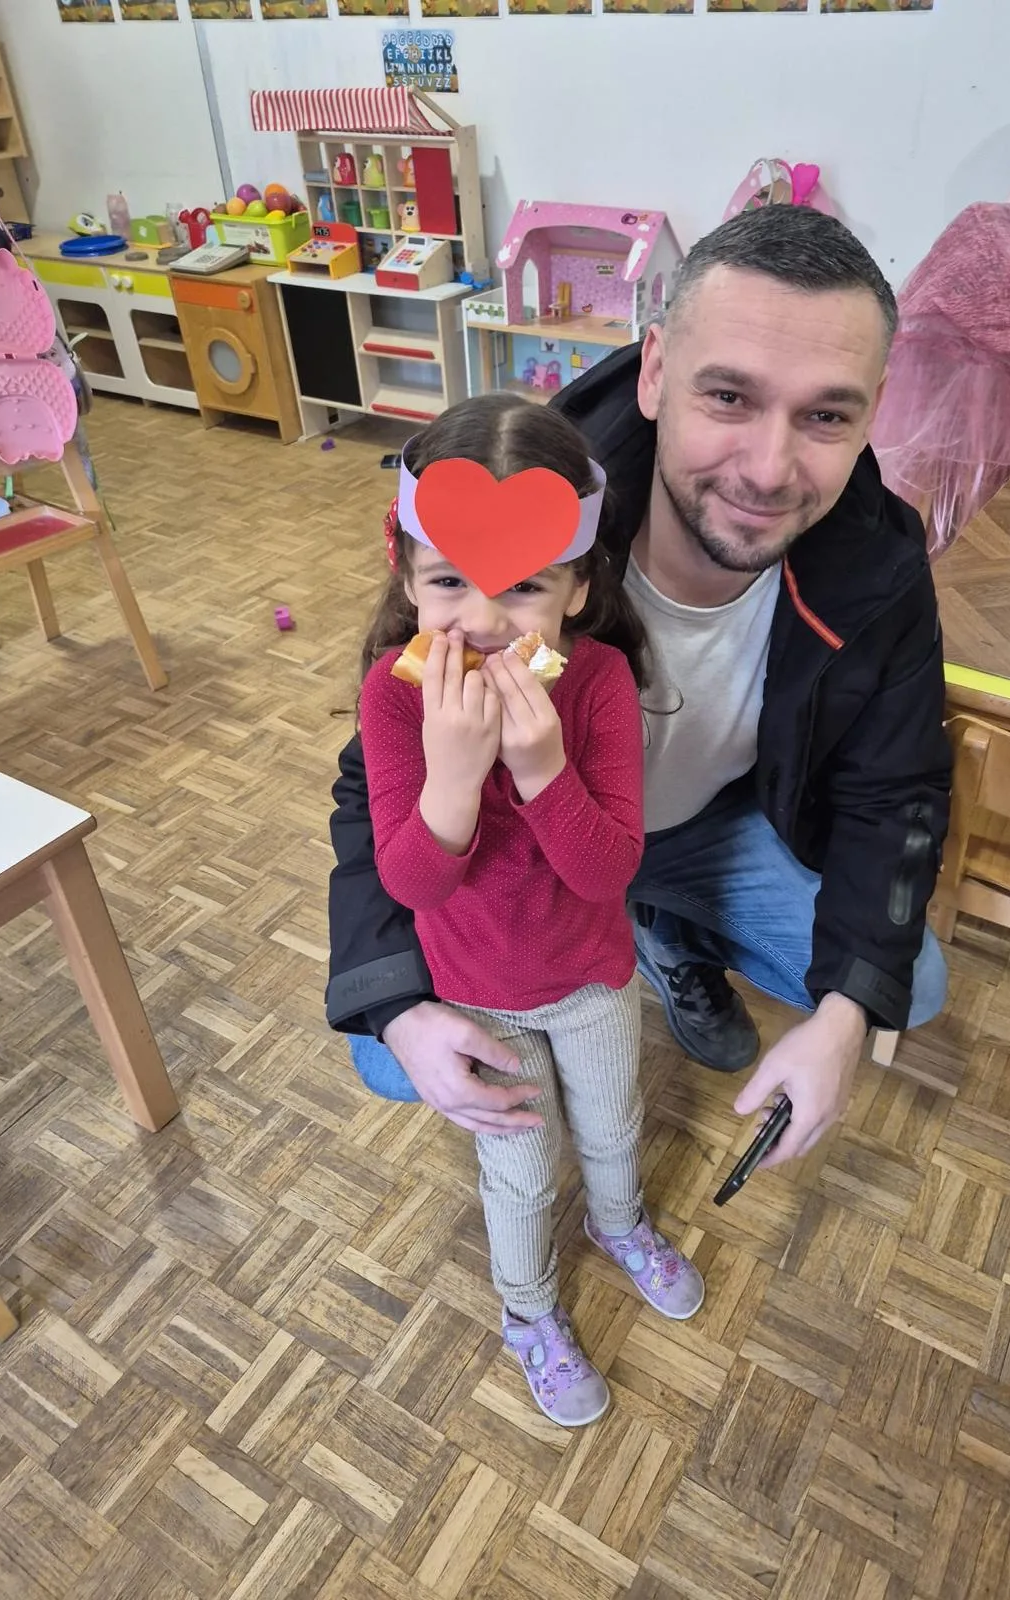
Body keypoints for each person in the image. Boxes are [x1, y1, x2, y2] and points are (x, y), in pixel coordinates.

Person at [328, 202, 951, 1172]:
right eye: (729, 397)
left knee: (905, 983)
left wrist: (842, 1018)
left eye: (827, 415)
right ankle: (622, 932)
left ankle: (667, 930)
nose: (769, 469)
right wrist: (398, 1002)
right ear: (655, 371)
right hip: (517, 842)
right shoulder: (526, 507)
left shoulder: (880, 567)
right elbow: (375, 785)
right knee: (392, 1052)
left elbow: (897, 789)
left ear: (875, 407)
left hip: (706, 827)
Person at [356, 394, 704, 1427]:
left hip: (590, 977)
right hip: (477, 996)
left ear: (578, 587)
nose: (482, 620)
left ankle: (618, 1223)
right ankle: (528, 1311)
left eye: (523, 587)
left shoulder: (597, 684)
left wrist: (542, 764)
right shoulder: (393, 696)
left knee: (612, 1125)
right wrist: (455, 776)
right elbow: (412, 884)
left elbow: (607, 873)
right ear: (406, 577)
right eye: (449, 582)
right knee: (518, 1171)